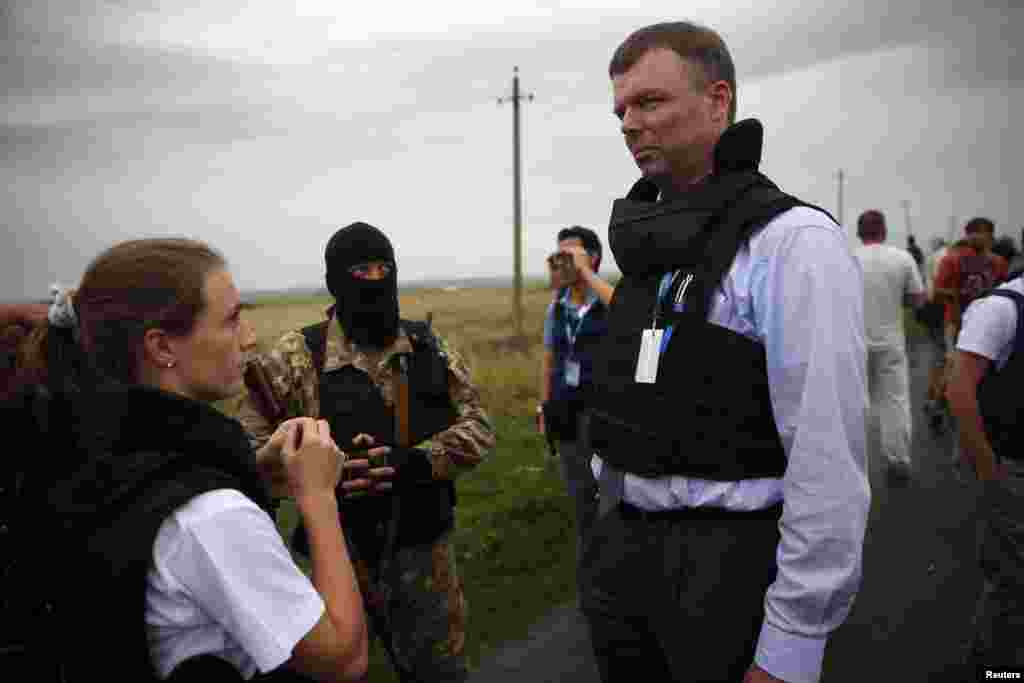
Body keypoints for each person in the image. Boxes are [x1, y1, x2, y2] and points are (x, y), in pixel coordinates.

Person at [579, 22, 870, 683]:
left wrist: (791, 644)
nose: (629, 122)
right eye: (621, 109)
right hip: (624, 560)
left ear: (718, 100)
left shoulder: (793, 244)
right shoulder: (646, 243)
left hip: (726, 569)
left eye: (649, 102)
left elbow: (826, 458)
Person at [5, 238, 368, 681]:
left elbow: (149, 502)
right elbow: (341, 660)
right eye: (232, 320)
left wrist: (253, 476)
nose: (249, 338)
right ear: (161, 348)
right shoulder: (210, 516)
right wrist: (318, 496)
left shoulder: (77, 444)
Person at [237, 222, 496, 683]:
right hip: (336, 555)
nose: (376, 280)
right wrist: (316, 474)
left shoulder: (427, 347)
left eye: (384, 269)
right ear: (337, 280)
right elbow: (248, 453)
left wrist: (416, 462)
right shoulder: (297, 357)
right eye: (362, 270)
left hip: (425, 556)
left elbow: (479, 427)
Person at [946, 271, 1024, 672]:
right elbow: (959, 388)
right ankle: (996, 668)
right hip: (1011, 465)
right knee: (1013, 582)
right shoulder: (1003, 308)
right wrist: (989, 472)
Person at [538, 225, 614, 572]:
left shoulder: (608, 298)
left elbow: (627, 311)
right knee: (580, 496)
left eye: (572, 254)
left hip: (604, 413)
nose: (563, 261)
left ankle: (617, 566)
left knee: (610, 495)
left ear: (593, 257)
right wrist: (544, 405)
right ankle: (591, 570)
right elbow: (550, 359)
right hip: (567, 412)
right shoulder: (558, 307)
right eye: (560, 254)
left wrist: (587, 273)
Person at [854, 210, 926, 482]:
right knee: (894, 401)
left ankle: (851, 464)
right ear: (884, 231)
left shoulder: (848, 258)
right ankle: (897, 459)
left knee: (854, 402)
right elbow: (918, 299)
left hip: (855, 343)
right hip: (890, 342)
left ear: (860, 233)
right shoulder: (902, 258)